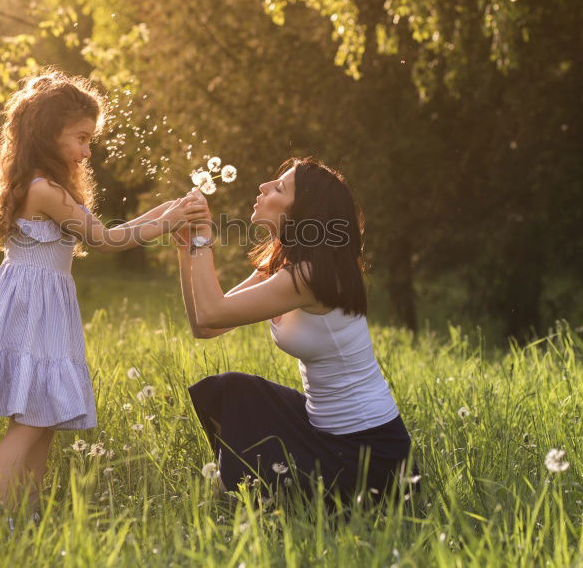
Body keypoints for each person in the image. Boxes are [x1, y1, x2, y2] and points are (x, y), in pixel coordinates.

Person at [0, 69, 206, 530]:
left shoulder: (41, 186)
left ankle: (27, 515)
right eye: (81, 139)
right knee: (27, 423)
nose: (87, 151)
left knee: (40, 416)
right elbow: (105, 240)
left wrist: (168, 211)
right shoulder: (45, 191)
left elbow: (112, 232)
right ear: (48, 133)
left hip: (40, 302)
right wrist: (169, 219)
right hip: (33, 307)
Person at [174, 157, 417, 512]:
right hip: (327, 434)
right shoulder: (285, 264)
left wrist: (202, 239)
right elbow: (206, 325)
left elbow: (212, 311)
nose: (263, 188)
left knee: (239, 398)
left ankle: (253, 504)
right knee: (232, 391)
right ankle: (252, 500)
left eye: (279, 188)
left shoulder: (311, 276)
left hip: (369, 455)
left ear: (301, 212)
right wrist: (186, 250)